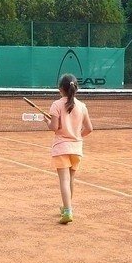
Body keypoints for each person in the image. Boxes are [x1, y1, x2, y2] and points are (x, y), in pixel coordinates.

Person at [47, 73, 93, 224]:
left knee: (64, 181)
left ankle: (67, 211)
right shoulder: (82, 106)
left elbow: (54, 127)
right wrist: (76, 135)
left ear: (60, 89)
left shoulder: (56, 105)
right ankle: (67, 207)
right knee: (71, 180)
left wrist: (46, 121)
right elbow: (89, 129)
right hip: (76, 148)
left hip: (61, 148)